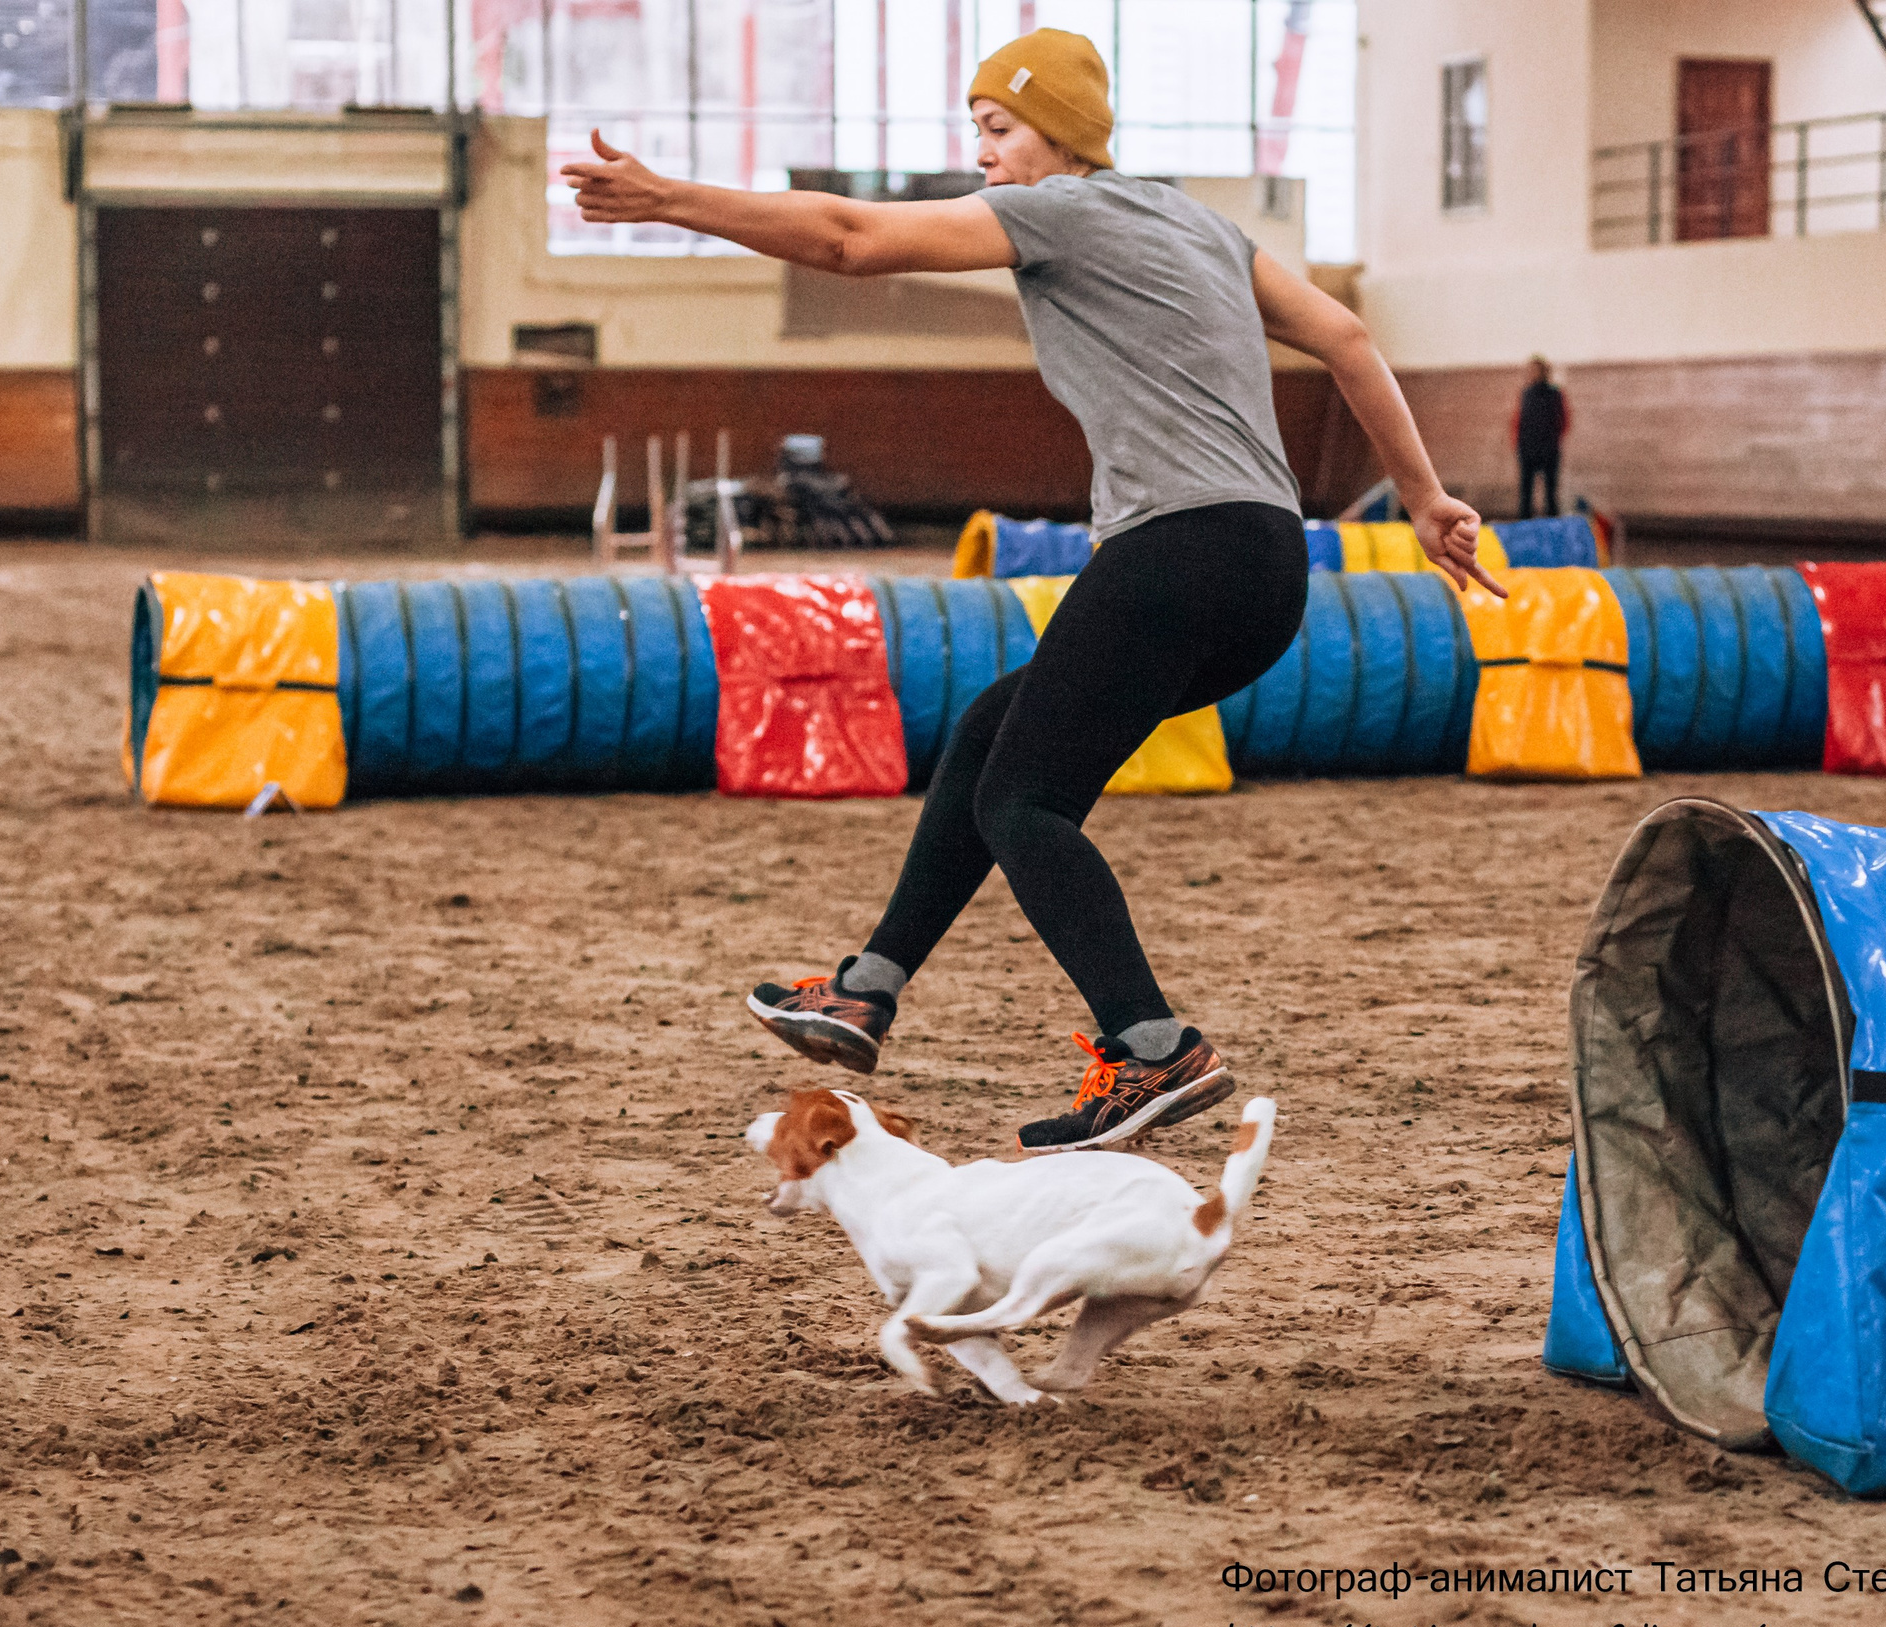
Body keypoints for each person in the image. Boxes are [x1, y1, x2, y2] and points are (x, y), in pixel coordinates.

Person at [565, 27, 1501, 1153]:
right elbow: (1347, 338)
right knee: (994, 729)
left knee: (1026, 803)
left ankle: (1152, 1049)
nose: (983, 154)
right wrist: (1424, 497)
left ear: (1060, 135)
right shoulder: (1203, 226)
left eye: (998, 130)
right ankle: (866, 989)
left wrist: (670, 199)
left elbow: (849, 238)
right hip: (1267, 567)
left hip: (1174, 552)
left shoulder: (1059, 213)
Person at [1513, 356, 1570, 520]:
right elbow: (1519, 421)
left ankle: (1552, 526)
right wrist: (1519, 443)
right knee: (1526, 493)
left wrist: (1553, 440)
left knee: (1551, 493)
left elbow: (1564, 421)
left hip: (1549, 449)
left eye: (1535, 370)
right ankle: (1524, 526)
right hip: (1528, 449)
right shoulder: (1526, 394)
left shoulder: (1555, 394)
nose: (1532, 374)